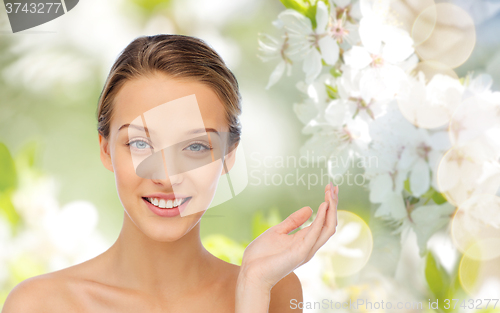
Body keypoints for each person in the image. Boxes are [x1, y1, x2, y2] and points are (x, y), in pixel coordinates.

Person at [1, 34, 339, 313]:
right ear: (106, 150)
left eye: (195, 147)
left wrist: (252, 290)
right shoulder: (41, 304)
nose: (166, 175)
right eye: (140, 143)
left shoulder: (273, 291)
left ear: (228, 156)